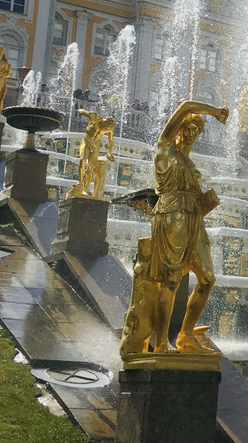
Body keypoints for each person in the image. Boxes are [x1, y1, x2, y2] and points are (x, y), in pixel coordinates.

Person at [120, 98, 228, 356]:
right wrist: (213, 111)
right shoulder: (165, 148)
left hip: (193, 219)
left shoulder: (188, 161)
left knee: (207, 278)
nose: (191, 134)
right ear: (178, 129)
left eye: (196, 131)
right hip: (171, 218)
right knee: (170, 281)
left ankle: (186, 335)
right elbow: (186, 106)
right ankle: (160, 344)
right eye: (187, 129)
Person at [71, 108, 116, 198]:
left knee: (91, 167)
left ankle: (84, 190)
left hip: (95, 146)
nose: (105, 129)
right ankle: (80, 183)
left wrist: (109, 152)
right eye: (105, 126)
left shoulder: (109, 129)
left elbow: (111, 141)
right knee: (82, 160)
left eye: (107, 128)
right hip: (86, 142)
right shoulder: (95, 119)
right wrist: (86, 113)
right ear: (103, 121)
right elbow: (80, 111)